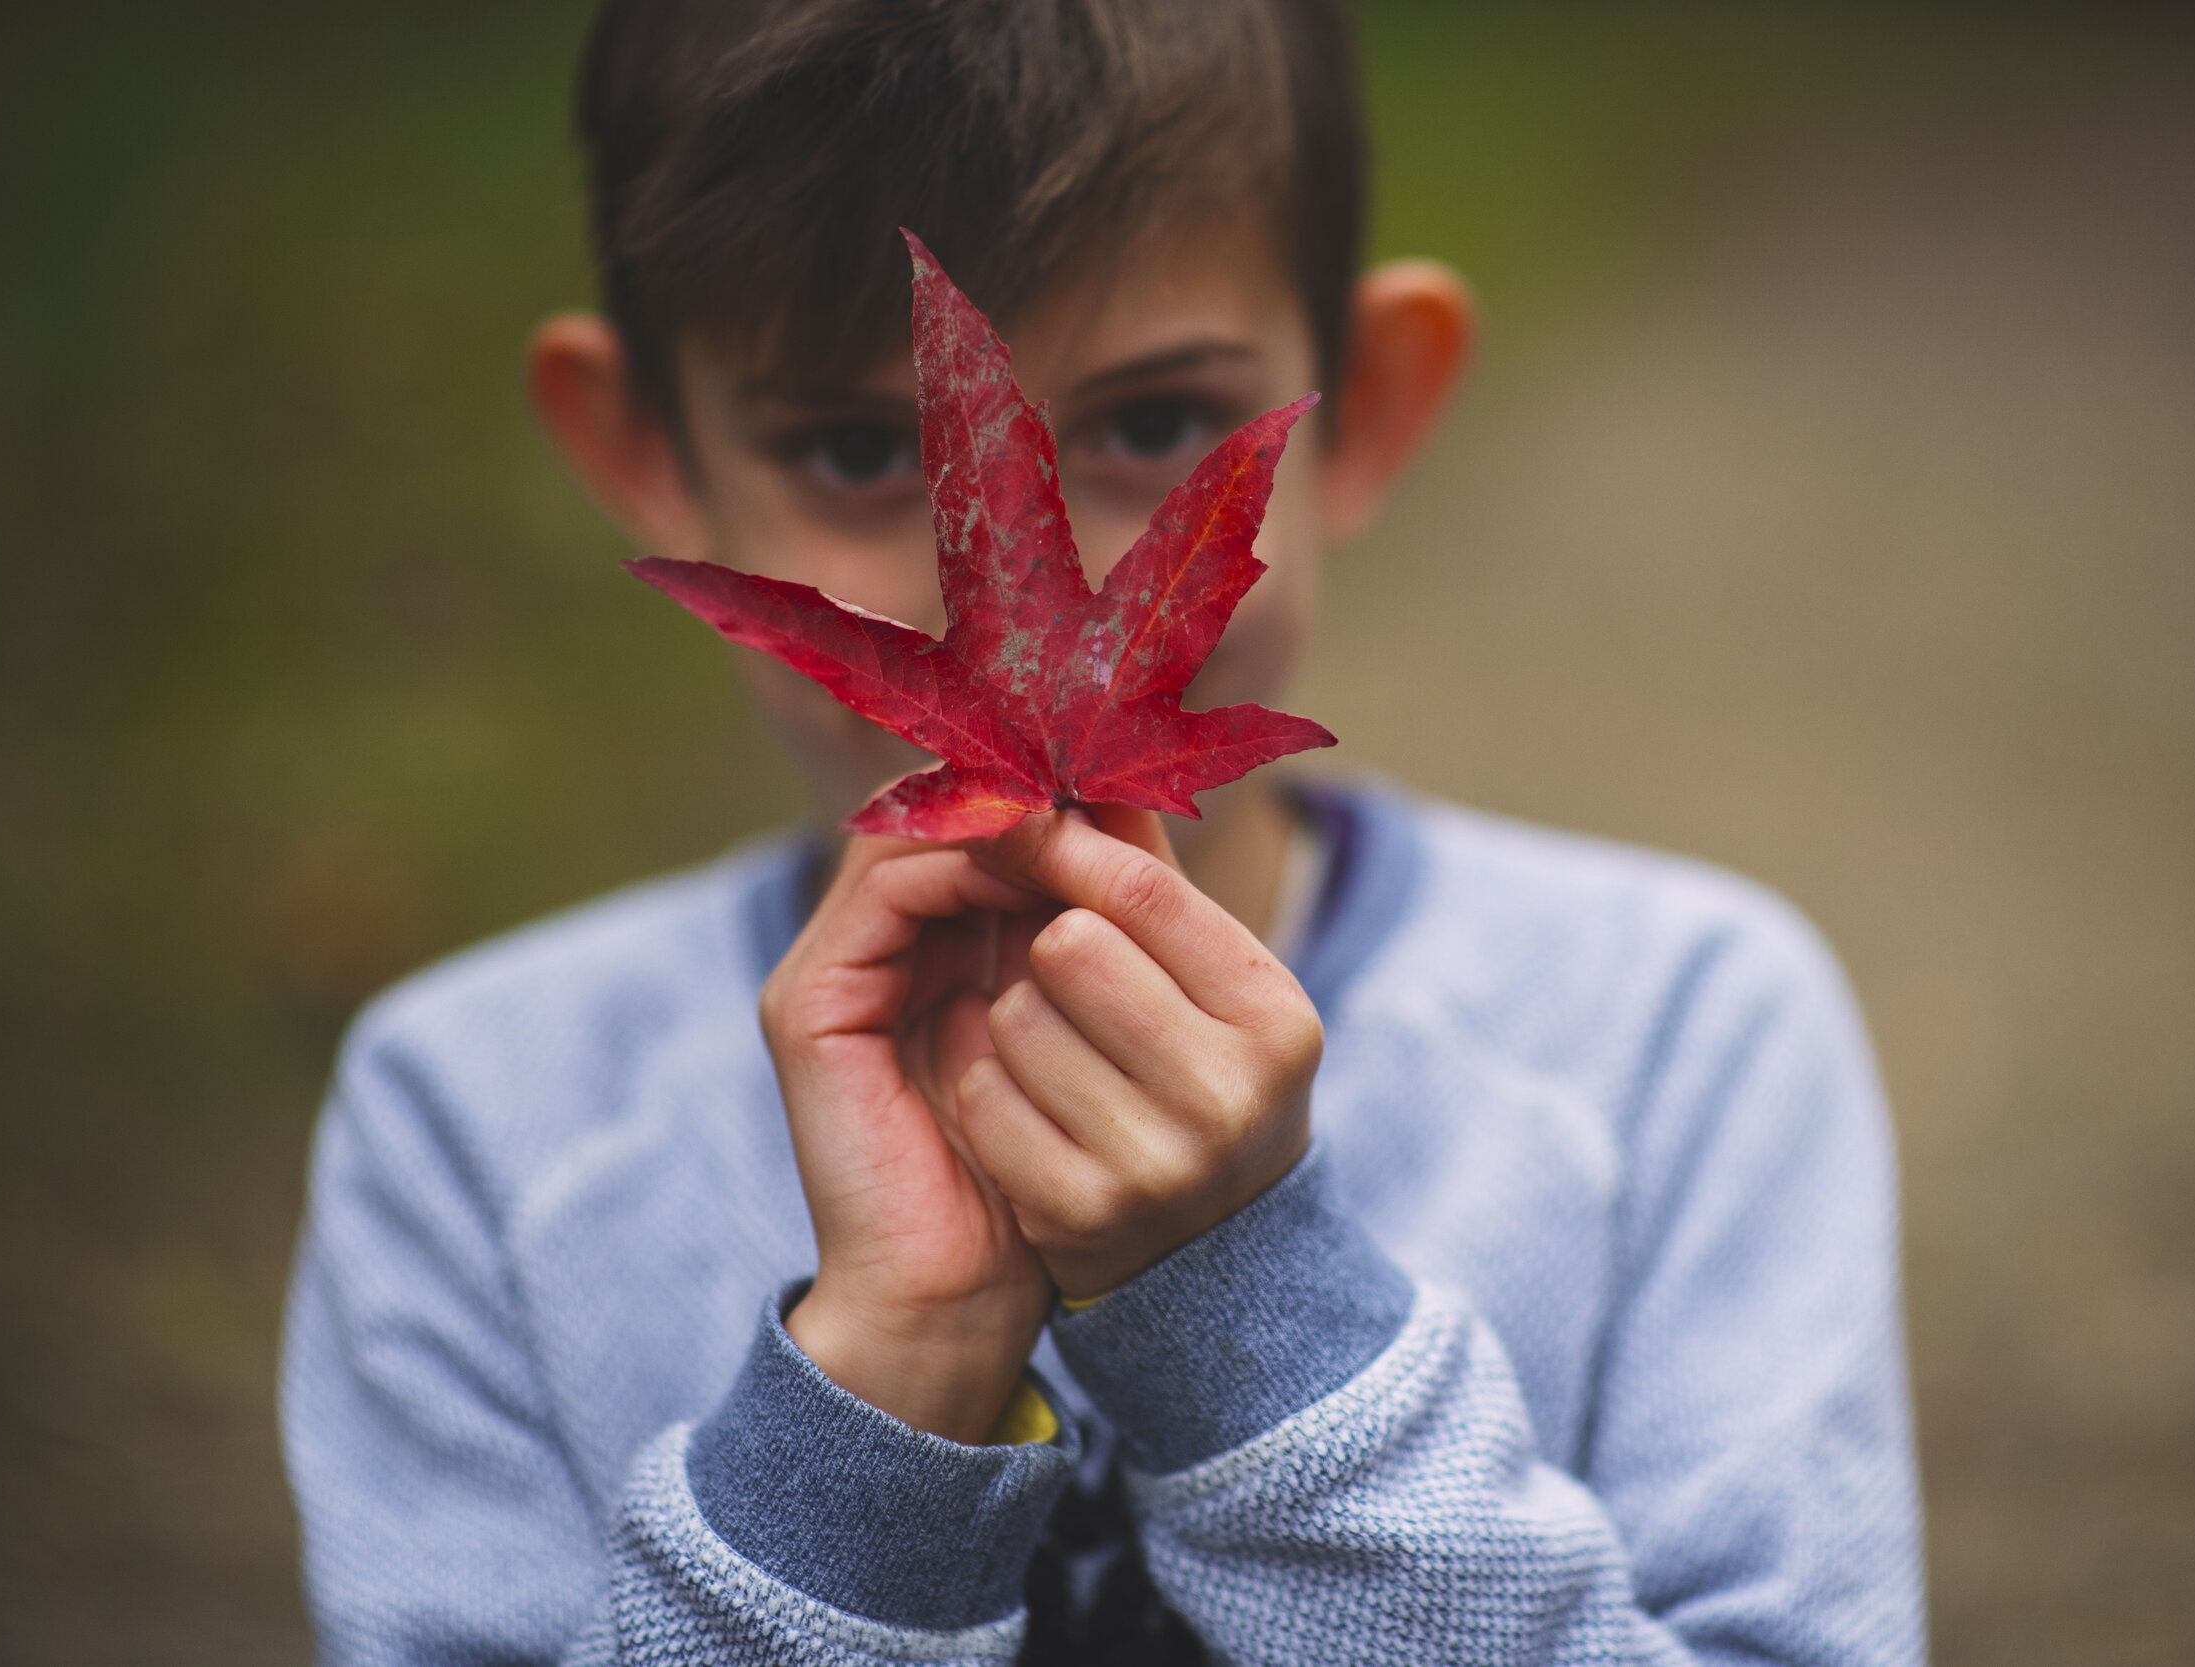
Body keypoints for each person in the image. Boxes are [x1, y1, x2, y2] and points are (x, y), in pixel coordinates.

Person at [279, 1, 1926, 1662]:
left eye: (1154, 425)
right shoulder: (477, 1126)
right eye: (856, 449)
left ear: (1367, 408)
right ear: (645, 453)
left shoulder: (1681, 1034)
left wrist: (1249, 1310)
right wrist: (885, 1386)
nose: (1015, 600)